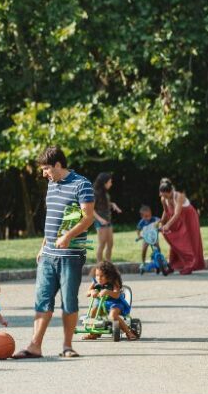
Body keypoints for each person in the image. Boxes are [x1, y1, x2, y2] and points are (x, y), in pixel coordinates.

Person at [13, 146, 94, 360]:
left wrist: (68, 237)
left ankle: (67, 346)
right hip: (48, 253)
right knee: (42, 300)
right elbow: (52, 218)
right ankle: (34, 346)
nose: (44, 173)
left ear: (58, 165)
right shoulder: (51, 185)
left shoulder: (82, 184)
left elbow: (88, 218)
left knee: (69, 301)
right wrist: (43, 245)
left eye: (47, 168)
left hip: (71, 254)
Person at [159, 178, 205, 275]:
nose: (165, 198)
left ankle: (190, 265)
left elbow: (176, 213)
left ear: (171, 191)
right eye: (163, 195)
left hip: (188, 218)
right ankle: (173, 264)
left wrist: (167, 225)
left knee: (188, 242)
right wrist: (161, 223)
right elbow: (166, 211)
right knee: (175, 240)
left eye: (166, 195)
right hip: (177, 219)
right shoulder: (163, 198)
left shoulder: (178, 196)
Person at [82, 261, 137, 341]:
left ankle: (128, 332)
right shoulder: (96, 281)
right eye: (97, 275)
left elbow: (116, 294)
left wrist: (107, 291)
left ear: (109, 276)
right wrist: (91, 291)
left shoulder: (114, 281)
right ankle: (93, 333)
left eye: (102, 276)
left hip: (115, 303)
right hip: (102, 303)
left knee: (113, 316)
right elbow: (87, 293)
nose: (99, 278)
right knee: (93, 311)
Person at [92, 173, 122, 262]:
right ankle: (100, 266)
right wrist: (100, 220)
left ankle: (108, 264)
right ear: (104, 183)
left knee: (110, 244)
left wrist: (113, 204)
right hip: (100, 222)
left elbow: (104, 203)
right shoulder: (95, 193)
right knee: (102, 244)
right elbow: (91, 209)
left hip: (107, 220)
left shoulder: (104, 192)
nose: (111, 183)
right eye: (109, 182)